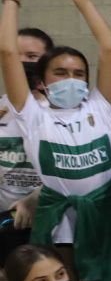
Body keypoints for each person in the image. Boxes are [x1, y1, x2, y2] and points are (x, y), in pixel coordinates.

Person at [1, 0, 111, 281]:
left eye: (78, 73)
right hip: (57, 219)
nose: (70, 78)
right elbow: (7, 51)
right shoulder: (32, 114)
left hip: (103, 215)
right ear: (43, 81)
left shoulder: (100, 108)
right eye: (60, 73)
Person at [0, 23, 53, 263]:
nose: (22, 63)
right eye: (16, 55)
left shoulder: (62, 113)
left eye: (31, 56)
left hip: (49, 222)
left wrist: (37, 197)